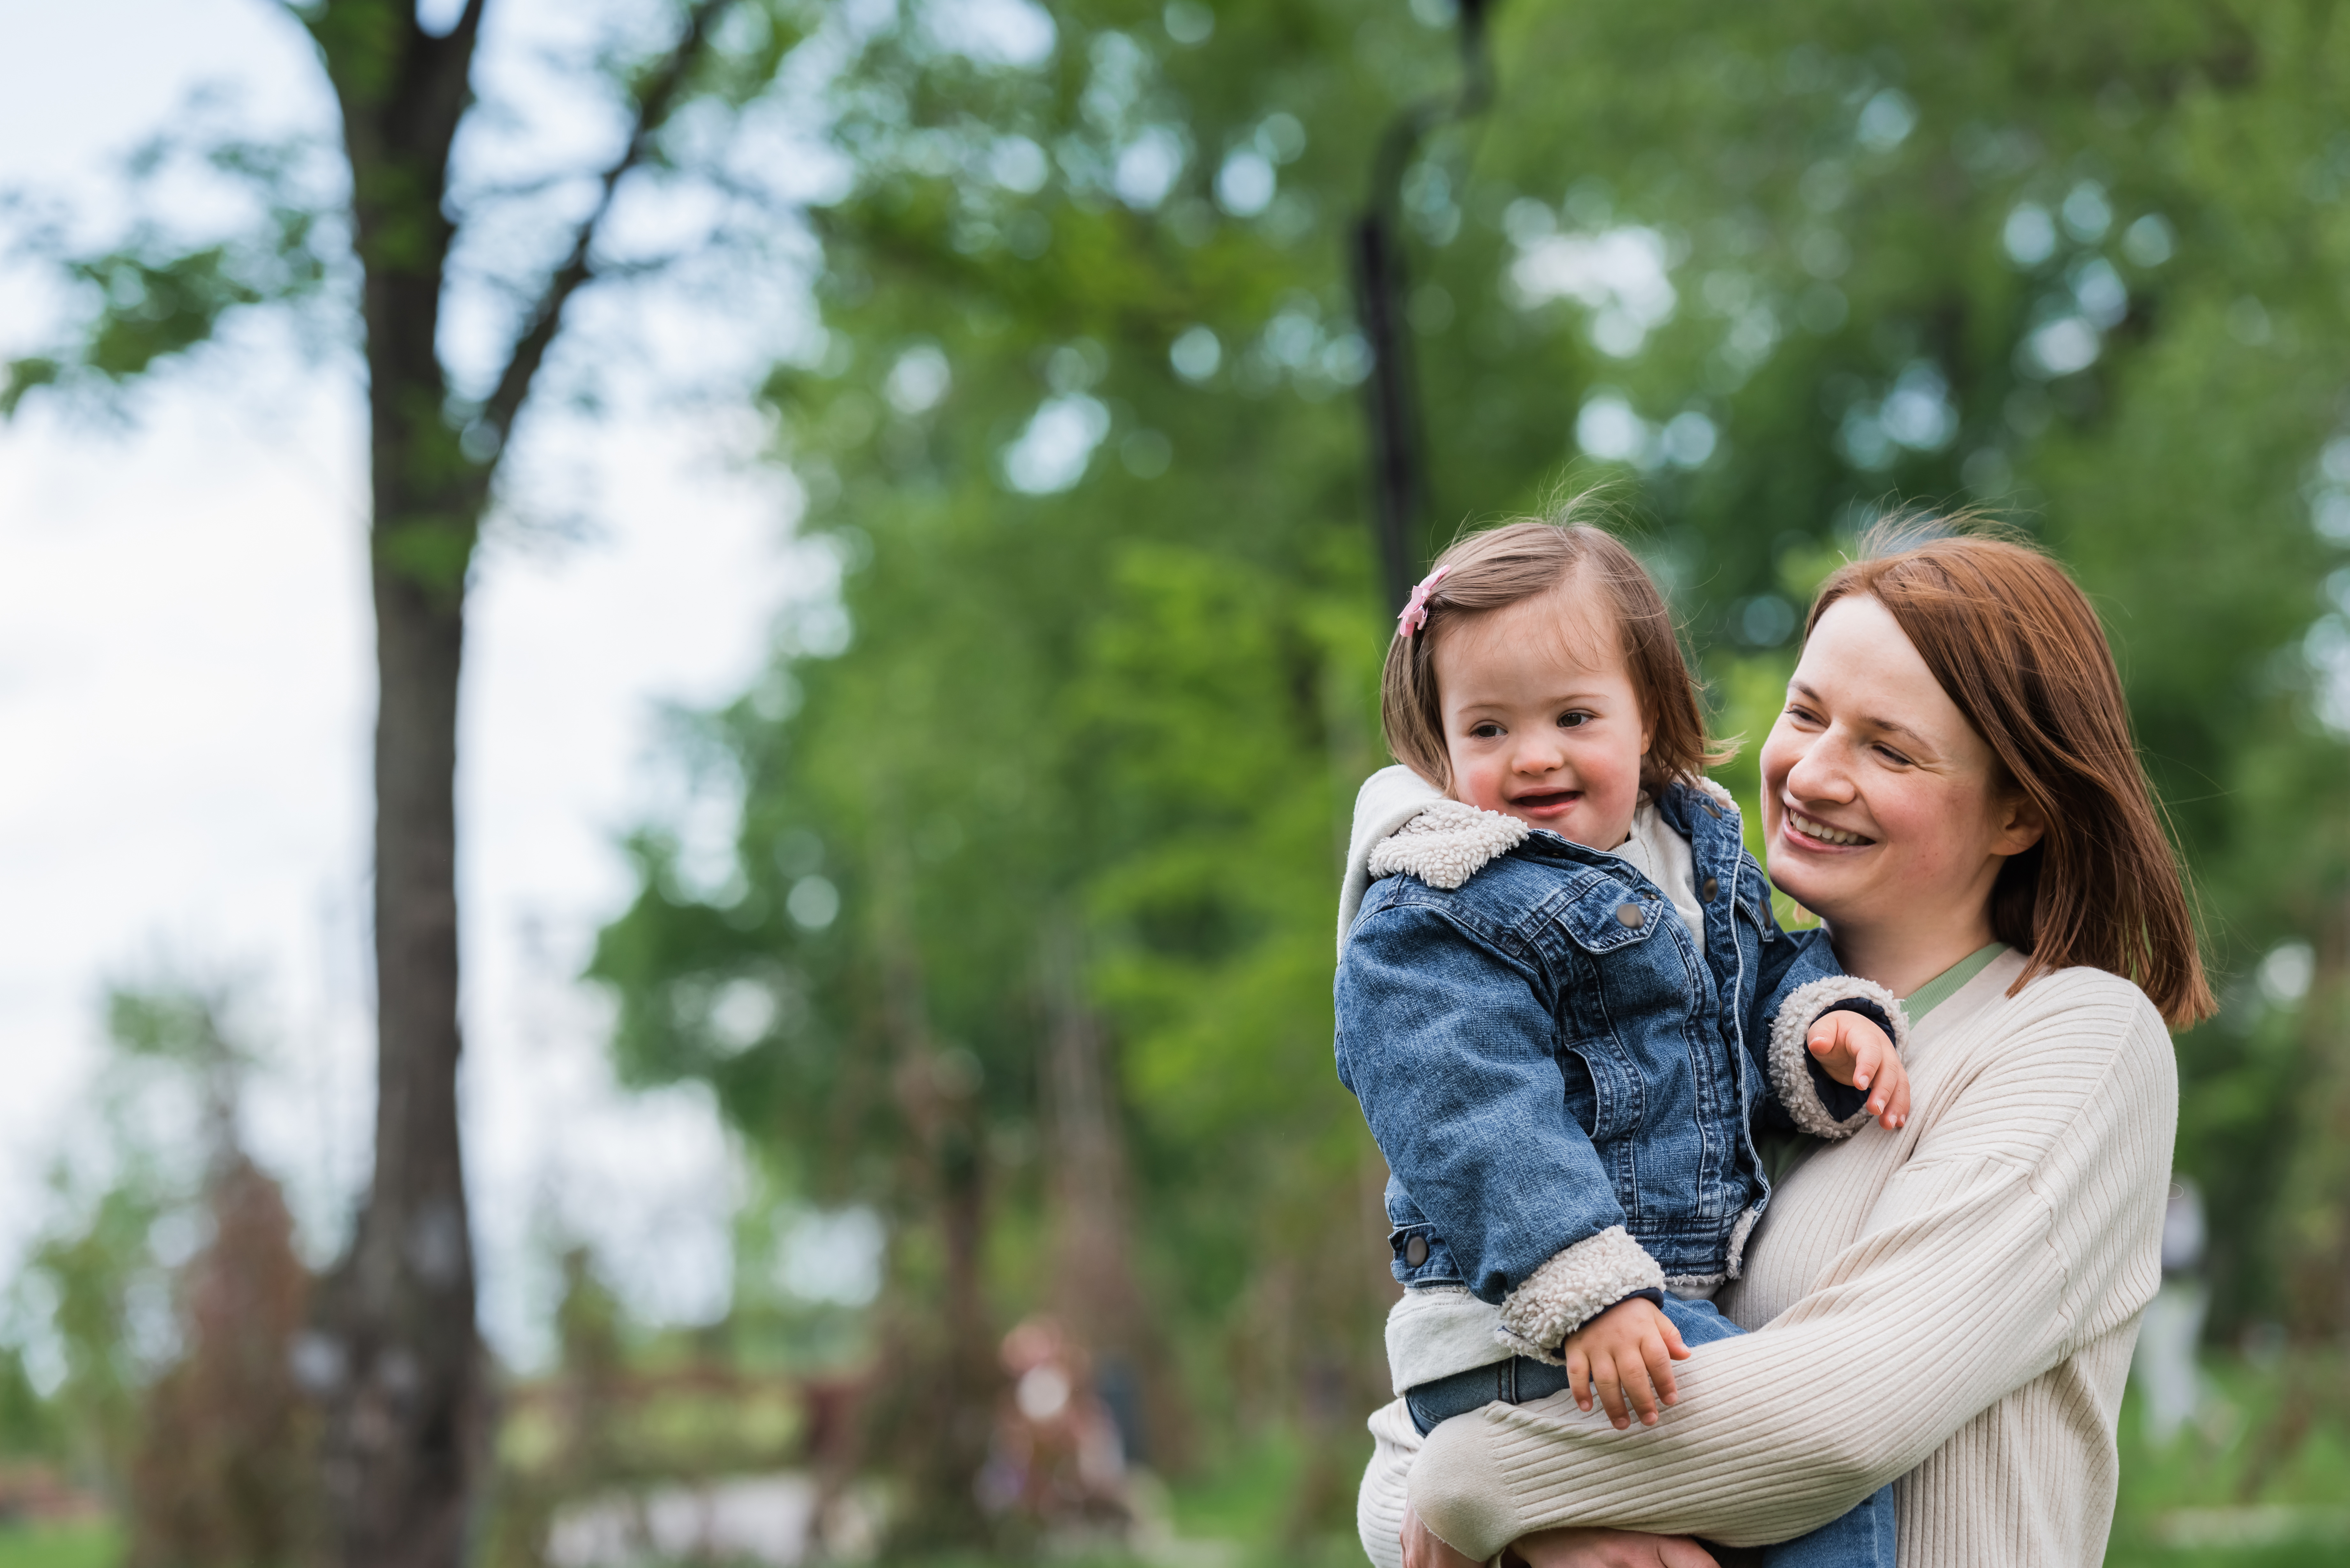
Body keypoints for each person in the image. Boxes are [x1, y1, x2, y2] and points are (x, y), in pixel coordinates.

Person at [1362, 526, 2212, 1568]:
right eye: (1806, 715)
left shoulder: (2075, 1037)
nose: (1813, 772)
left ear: (2019, 815)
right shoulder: (1691, 1019)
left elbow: (1839, 1420)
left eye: (1888, 749)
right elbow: (1410, 1443)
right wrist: (1538, 1527)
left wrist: (1483, 1490)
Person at [1334, 516, 1911, 1568]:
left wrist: (1820, 1026)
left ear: (1648, 714)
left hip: (1642, 1310)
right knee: (1814, 1466)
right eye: (1489, 729)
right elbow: (1469, 1113)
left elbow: (1756, 974)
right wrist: (1581, 1284)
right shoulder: (1438, 909)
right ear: (1438, 746)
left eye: (1574, 715)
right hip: (1525, 1328)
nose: (1535, 755)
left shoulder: (1689, 849)